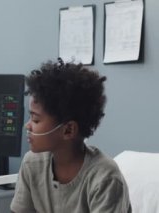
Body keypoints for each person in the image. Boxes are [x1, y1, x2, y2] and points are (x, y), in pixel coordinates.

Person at [10, 59, 131, 213]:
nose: (28, 125)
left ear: (68, 130)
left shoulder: (105, 178)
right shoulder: (32, 164)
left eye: (35, 119)